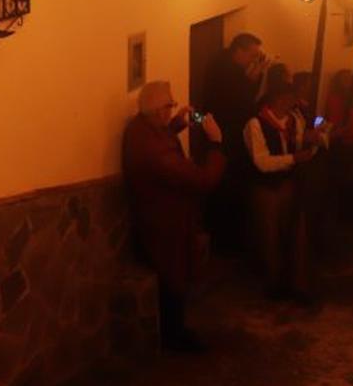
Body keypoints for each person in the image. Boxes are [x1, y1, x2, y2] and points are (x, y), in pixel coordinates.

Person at [122, 80, 225, 352]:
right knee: (173, 277)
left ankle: (175, 332)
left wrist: (178, 124)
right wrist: (216, 144)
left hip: (159, 216)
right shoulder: (155, 150)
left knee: (174, 275)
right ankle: (174, 336)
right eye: (171, 105)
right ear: (158, 111)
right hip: (165, 221)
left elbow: (160, 138)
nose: (173, 108)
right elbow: (203, 180)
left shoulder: (140, 128)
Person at [244, 85, 318, 302]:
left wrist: (309, 142)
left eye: (292, 99)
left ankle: (297, 284)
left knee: (297, 235)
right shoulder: (255, 124)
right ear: (275, 99)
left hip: (293, 185)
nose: (291, 103)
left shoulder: (296, 120)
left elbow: (302, 147)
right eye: (287, 99)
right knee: (269, 238)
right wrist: (293, 159)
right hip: (267, 188)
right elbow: (261, 161)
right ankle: (273, 285)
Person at [201, 32, 267, 251]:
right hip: (225, 135)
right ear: (239, 51)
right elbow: (240, 103)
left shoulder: (230, 68)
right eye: (252, 55)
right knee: (225, 190)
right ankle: (225, 242)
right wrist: (253, 79)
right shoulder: (224, 72)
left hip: (227, 132)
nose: (253, 61)